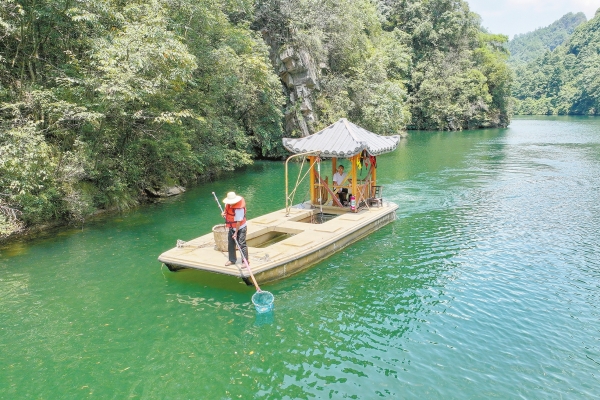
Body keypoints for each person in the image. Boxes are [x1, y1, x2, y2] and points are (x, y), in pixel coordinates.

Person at [222, 192, 249, 267]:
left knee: (241, 243)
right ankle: (232, 259)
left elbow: (238, 222)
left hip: (240, 227)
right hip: (231, 227)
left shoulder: (239, 209)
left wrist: (236, 233)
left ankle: (245, 261)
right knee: (231, 243)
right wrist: (224, 213)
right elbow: (226, 212)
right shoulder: (227, 205)